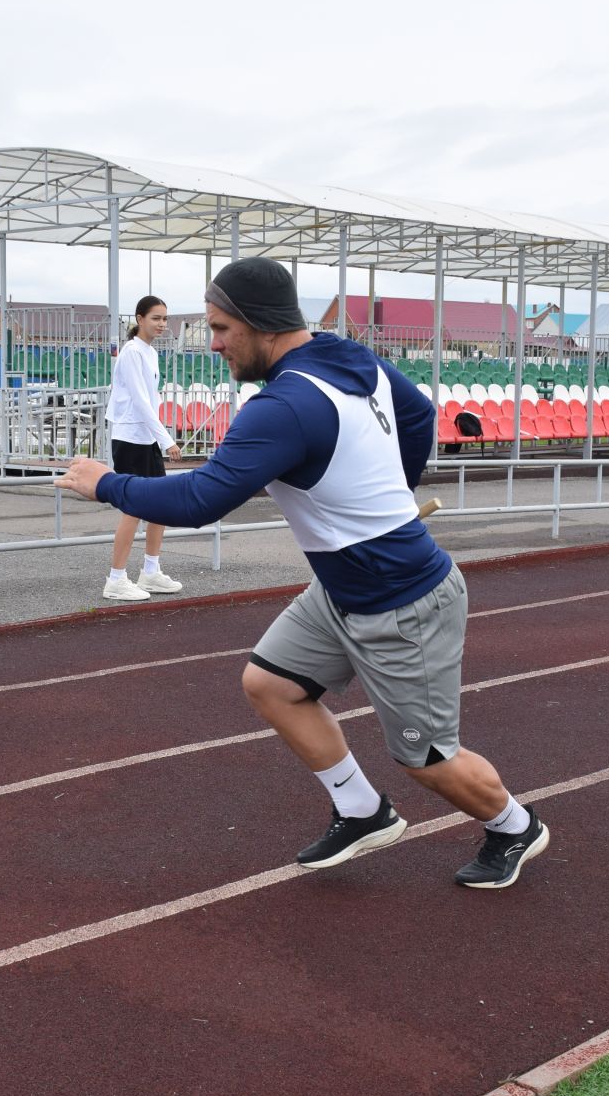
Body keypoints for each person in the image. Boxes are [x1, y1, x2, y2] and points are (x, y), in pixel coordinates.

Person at [57, 257, 550, 889]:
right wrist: (385, 490)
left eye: (220, 329)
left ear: (261, 326)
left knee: (427, 761)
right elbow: (420, 415)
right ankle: (361, 810)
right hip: (342, 588)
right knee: (270, 684)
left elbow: (199, 501)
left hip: (400, 601)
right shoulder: (349, 355)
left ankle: (515, 826)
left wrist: (106, 484)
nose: (213, 345)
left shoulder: (283, 407)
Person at [98, 294, 183, 601]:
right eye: (155, 318)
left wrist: (158, 437)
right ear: (139, 319)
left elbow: (150, 401)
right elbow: (139, 401)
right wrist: (167, 439)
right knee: (133, 509)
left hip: (145, 437)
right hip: (130, 438)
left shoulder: (150, 353)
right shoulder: (132, 352)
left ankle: (150, 572)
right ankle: (116, 579)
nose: (162, 324)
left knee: (159, 505)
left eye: (164, 318)